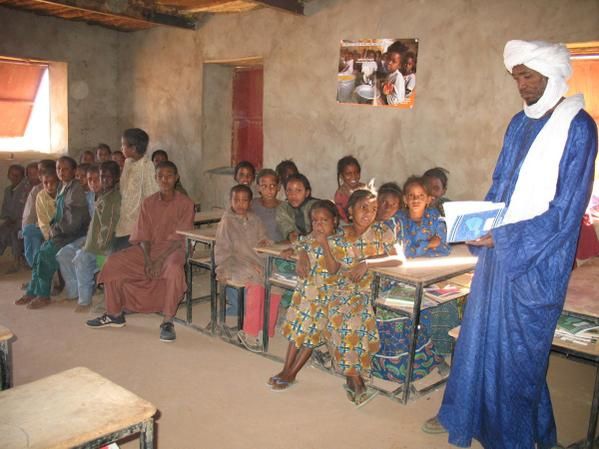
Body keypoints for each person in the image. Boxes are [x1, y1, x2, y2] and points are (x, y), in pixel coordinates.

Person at [424, 40, 598, 449]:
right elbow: (500, 184)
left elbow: (565, 211)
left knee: (520, 358)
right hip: (498, 252)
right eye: (516, 77)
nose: (521, 85)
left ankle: (513, 438)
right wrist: (478, 223)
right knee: (479, 341)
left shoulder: (579, 128)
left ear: (551, 75)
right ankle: (468, 416)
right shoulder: (518, 123)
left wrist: (504, 237)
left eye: (528, 76)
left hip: (536, 262)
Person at [87, 161, 194, 342]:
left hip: (173, 249)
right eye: (160, 176)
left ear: (177, 178)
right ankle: (114, 314)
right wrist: (148, 259)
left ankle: (167, 321)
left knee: (175, 269)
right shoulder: (148, 203)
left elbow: (181, 238)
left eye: (169, 176)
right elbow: (142, 235)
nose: (164, 179)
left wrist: (158, 261)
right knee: (113, 262)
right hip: (149, 249)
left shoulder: (186, 203)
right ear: (155, 178)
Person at [322, 189, 402, 406]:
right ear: (350, 210)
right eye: (363, 208)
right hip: (344, 289)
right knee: (342, 313)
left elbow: (397, 259)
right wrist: (323, 243)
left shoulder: (382, 232)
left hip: (373, 289)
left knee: (354, 316)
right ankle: (355, 377)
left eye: (374, 209)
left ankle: (354, 378)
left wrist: (368, 263)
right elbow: (331, 270)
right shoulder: (339, 238)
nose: (369, 213)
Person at [269, 200, 340, 390]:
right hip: (304, 297)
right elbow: (299, 244)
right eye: (315, 220)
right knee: (296, 334)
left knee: (310, 338)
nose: (319, 225)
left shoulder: (338, 242)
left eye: (324, 220)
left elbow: (333, 269)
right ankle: (285, 368)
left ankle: (292, 373)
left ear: (335, 221)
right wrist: (298, 253)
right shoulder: (310, 238)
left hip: (323, 300)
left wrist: (324, 244)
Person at [16, 156, 90, 309]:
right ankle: (32, 290)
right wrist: (53, 229)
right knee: (39, 254)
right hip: (62, 232)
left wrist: (55, 230)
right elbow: (58, 215)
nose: (61, 172)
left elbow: (73, 222)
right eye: (58, 169)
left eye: (65, 169)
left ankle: (43, 295)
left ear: (74, 171)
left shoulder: (75, 189)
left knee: (46, 255)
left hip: (74, 233)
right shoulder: (64, 187)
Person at [214, 184, 281, 350]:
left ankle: (265, 327)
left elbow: (263, 240)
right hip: (233, 263)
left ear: (250, 203)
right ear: (230, 201)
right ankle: (249, 332)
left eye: (244, 200)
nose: (240, 204)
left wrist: (265, 242)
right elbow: (223, 249)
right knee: (257, 279)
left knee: (275, 280)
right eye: (236, 200)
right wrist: (225, 268)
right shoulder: (227, 221)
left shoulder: (255, 220)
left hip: (256, 261)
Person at [72, 160, 121, 312]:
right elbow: (95, 226)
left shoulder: (113, 199)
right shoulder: (100, 197)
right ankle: (84, 300)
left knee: (105, 269)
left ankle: (108, 302)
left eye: (108, 177)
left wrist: (100, 248)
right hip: (94, 243)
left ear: (116, 178)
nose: (104, 180)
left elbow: (109, 227)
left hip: (105, 246)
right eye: (102, 177)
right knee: (80, 259)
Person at [55, 164, 102, 307]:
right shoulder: (88, 197)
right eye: (90, 180)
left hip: (103, 240)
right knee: (63, 254)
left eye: (97, 179)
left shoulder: (110, 197)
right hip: (88, 236)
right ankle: (73, 292)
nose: (93, 183)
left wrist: (89, 240)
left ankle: (84, 300)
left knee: (81, 257)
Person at [113, 128, 159, 252]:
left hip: (136, 225)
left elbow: (152, 196)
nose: (121, 148)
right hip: (123, 222)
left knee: (119, 257)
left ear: (133, 149)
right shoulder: (128, 163)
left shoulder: (146, 166)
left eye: (123, 145)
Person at [396, 176, 450, 258]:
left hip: (434, 264)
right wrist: (428, 244)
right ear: (405, 199)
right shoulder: (399, 219)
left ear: (428, 199)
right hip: (407, 267)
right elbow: (404, 251)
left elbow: (444, 247)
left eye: (421, 195)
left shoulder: (434, 216)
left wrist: (417, 248)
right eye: (411, 195)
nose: (416, 199)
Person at [22, 160, 56, 267]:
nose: (39, 175)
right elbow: (30, 214)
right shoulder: (38, 191)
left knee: (30, 233)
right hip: (38, 225)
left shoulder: (60, 190)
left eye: (42, 171)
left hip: (51, 227)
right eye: (39, 172)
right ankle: (35, 270)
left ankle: (37, 271)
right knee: (29, 234)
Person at [0, 164, 29, 269]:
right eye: (12, 175)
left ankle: (16, 260)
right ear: (8, 175)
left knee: (15, 233)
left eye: (18, 175)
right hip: (10, 220)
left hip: (22, 221)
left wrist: (17, 220)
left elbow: (26, 208)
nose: (14, 177)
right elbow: (5, 208)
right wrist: (7, 219)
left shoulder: (26, 189)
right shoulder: (7, 190)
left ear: (23, 177)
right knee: (2, 231)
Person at [276, 173, 318, 243]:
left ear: (307, 193)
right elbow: (285, 226)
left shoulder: (316, 207)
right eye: (289, 190)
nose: (293, 195)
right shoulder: (283, 209)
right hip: (298, 245)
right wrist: (290, 234)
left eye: (298, 190)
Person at [251, 168, 282, 242]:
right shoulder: (251, 204)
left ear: (278, 187)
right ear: (258, 188)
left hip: (276, 250)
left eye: (272, 185)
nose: (269, 190)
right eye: (264, 186)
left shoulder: (285, 208)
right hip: (255, 250)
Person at [334, 155, 366, 222]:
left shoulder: (365, 188)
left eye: (356, 172)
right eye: (348, 174)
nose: (353, 176)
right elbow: (343, 218)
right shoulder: (340, 195)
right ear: (341, 176)